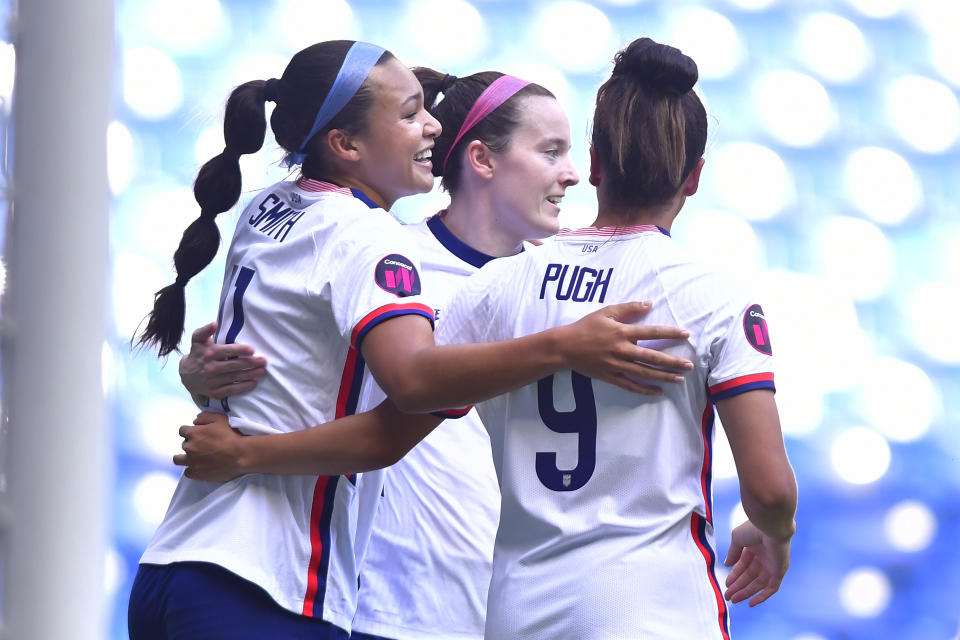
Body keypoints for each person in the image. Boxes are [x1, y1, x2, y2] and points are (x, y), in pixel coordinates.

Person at [177, 37, 797, 639]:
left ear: (602, 163)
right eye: (550, 151)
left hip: (501, 607)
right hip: (396, 604)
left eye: (572, 153)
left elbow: (382, 400)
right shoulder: (391, 258)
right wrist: (201, 372)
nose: (571, 175)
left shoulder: (506, 287)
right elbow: (370, 376)